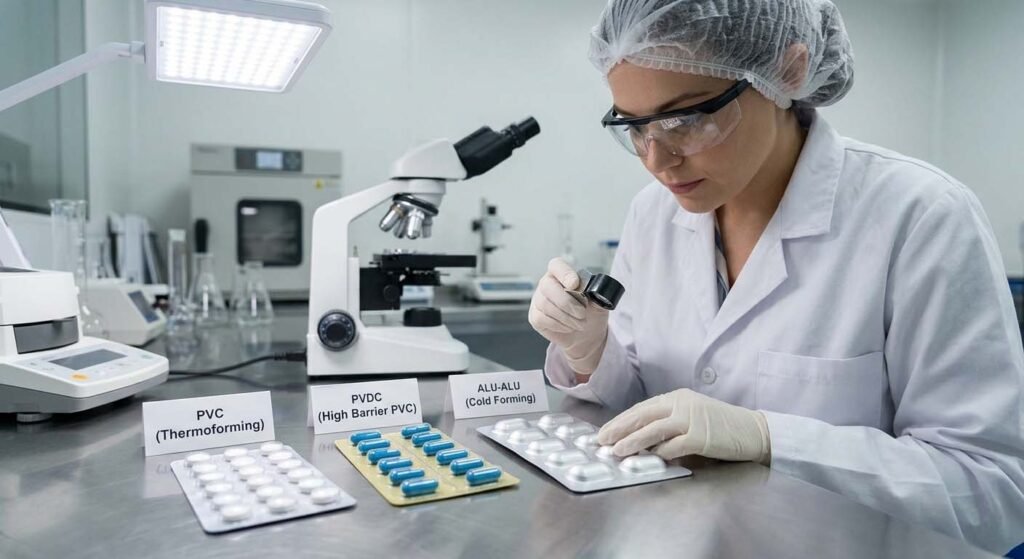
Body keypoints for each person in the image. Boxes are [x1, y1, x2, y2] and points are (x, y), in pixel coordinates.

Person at [528, 0, 1024, 553]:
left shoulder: (921, 215)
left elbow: (992, 490)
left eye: (686, 120)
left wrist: (770, 439)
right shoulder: (654, 213)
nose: (658, 160)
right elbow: (644, 406)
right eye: (634, 126)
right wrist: (592, 351)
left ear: (786, 72)